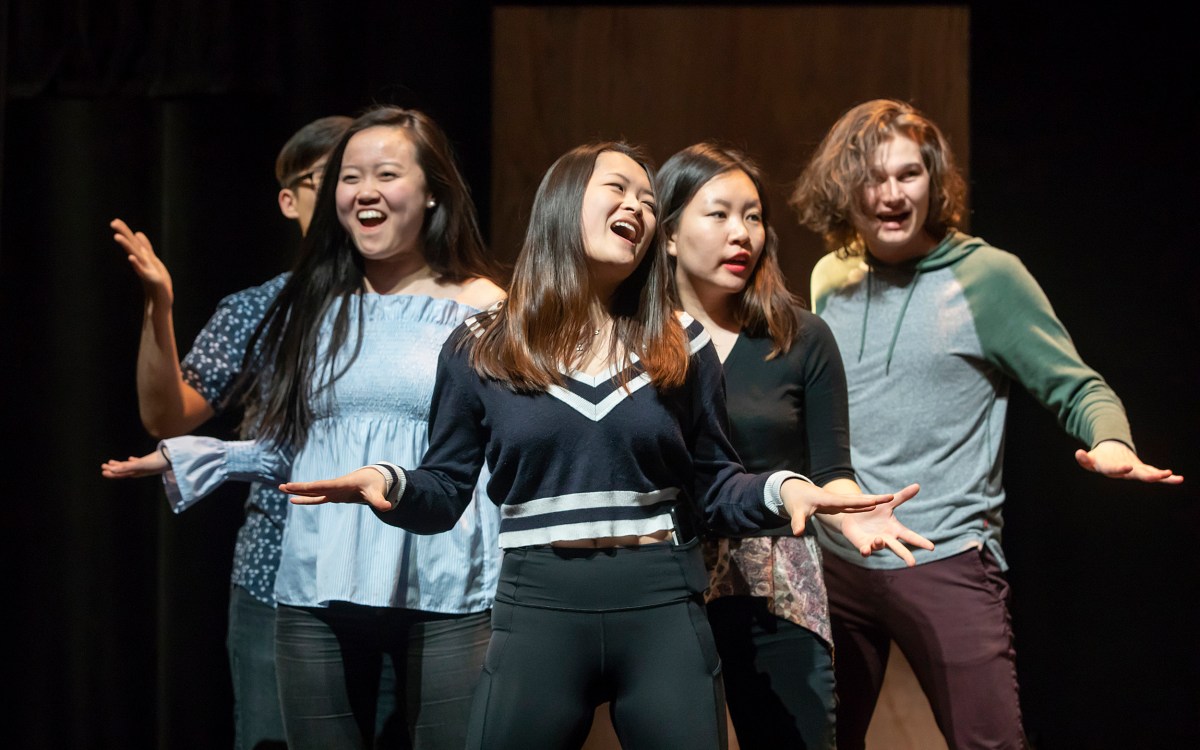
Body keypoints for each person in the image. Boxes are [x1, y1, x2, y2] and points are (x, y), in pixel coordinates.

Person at [277, 141, 919, 750]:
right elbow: (445, 490)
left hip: (662, 607)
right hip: (538, 609)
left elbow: (716, 486)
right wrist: (386, 484)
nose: (638, 208)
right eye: (619, 189)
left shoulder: (680, 341)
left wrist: (788, 489)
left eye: (647, 199)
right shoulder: (484, 345)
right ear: (561, 204)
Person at [104, 105, 507, 750]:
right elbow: (301, 447)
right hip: (319, 573)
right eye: (349, 177)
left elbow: (503, 448)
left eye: (386, 174)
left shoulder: (485, 307)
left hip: (443, 576)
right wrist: (201, 456)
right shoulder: (308, 306)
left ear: (433, 190)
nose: (363, 191)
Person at [789, 98, 1183, 749]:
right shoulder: (833, 274)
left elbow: (1078, 386)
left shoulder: (988, 278)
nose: (891, 194)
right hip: (841, 557)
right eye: (872, 177)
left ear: (934, 181)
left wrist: (1110, 440)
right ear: (842, 188)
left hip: (944, 556)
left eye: (908, 175)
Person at [655, 142, 933, 749]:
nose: (742, 234)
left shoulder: (799, 337)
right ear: (670, 234)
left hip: (777, 582)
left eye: (754, 216)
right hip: (664, 586)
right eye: (720, 214)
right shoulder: (634, 341)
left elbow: (833, 469)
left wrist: (853, 509)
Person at [111, 114, 352, 750]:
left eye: (361, 177)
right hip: (276, 571)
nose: (346, 196)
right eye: (329, 178)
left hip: (393, 576)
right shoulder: (259, 307)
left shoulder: (422, 304)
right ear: (289, 199)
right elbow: (169, 418)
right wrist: (158, 308)